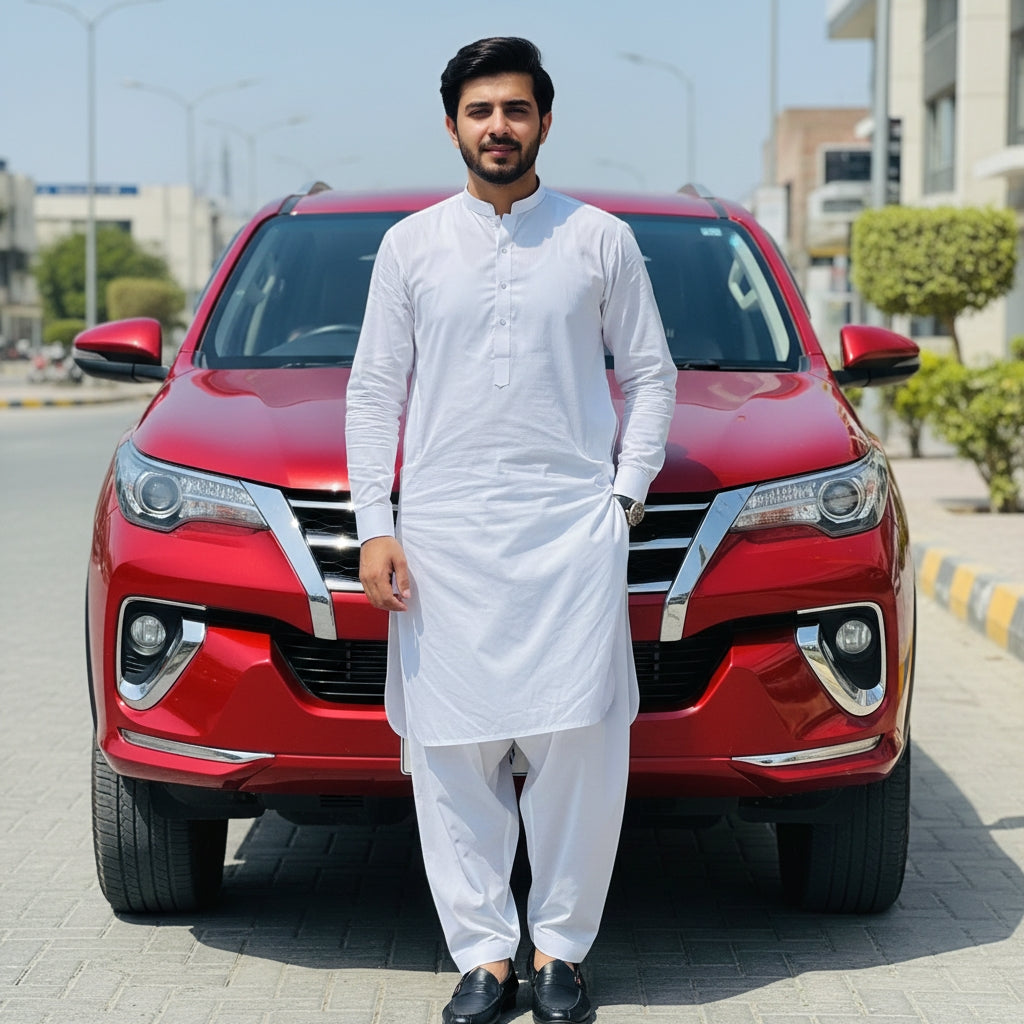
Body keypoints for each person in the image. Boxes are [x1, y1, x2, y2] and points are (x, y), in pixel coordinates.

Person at [345, 37, 677, 1024]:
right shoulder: (411, 245)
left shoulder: (598, 238)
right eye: (481, 110)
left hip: (568, 536)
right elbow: (373, 390)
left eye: (516, 109)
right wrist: (375, 525)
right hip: (442, 541)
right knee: (452, 751)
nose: (499, 126)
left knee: (581, 746)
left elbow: (651, 375)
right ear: (451, 123)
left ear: (543, 120)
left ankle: (562, 950)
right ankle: (485, 956)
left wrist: (622, 500)